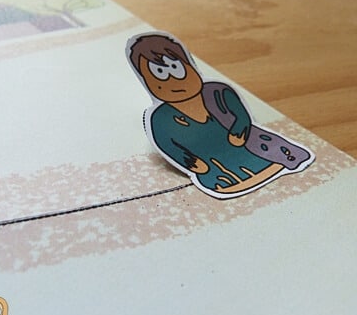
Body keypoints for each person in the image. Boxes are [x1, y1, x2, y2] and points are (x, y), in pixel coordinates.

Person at [127, 32, 314, 198]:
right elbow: (166, 144)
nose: (173, 81)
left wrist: (240, 130)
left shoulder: (219, 91)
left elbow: (240, 114)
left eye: (177, 69)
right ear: (146, 81)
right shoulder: (159, 118)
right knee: (221, 175)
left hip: (244, 143)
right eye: (159, 73)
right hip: (208, 159)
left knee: (267, 151)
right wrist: (189, 161)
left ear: (190, 65)